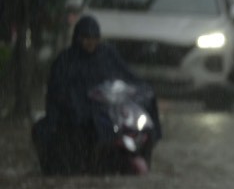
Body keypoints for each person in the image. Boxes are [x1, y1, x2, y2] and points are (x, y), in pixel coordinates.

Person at [33, 15, 161, 173]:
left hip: (112, 112)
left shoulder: (107, 55)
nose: (90, 43)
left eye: (94, 38)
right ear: (78, 38)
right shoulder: (66, 61)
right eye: (86, 38)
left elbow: (128, 77)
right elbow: (58, 95)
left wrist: (142, 92)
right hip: (79, 116)